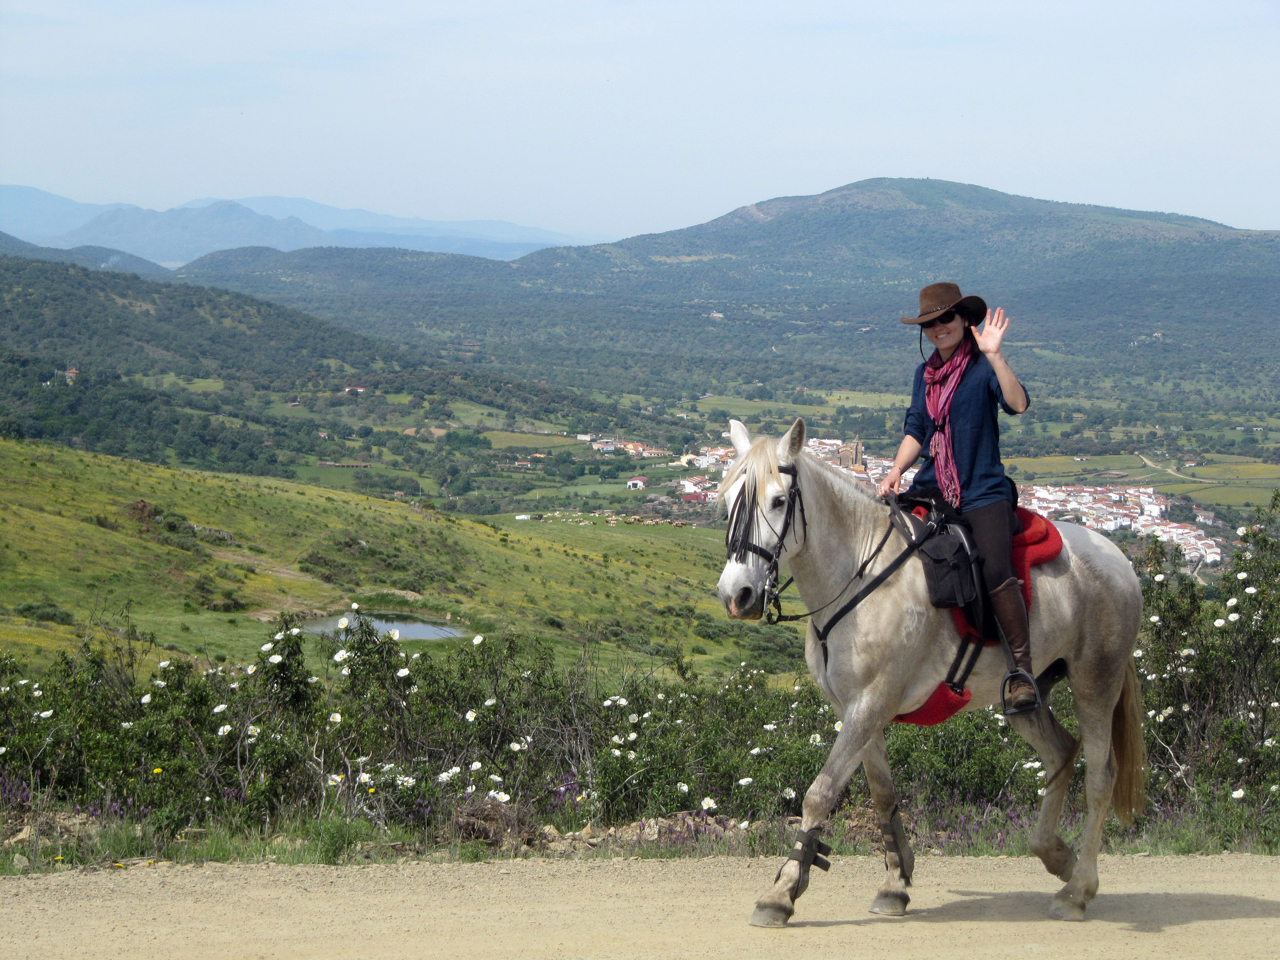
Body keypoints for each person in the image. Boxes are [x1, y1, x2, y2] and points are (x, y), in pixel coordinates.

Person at [876, 282, 1037, 714]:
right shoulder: (924, 375)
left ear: (964, 319)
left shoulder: (982, 367)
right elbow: (917, 429)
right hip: (933, 486)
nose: (938, 328)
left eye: (945, 318)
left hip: (982, 490)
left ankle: (1021, 671)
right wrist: (896, 471)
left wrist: (996, 355)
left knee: (994, 566)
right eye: (929, 323)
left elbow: (1018, 404)